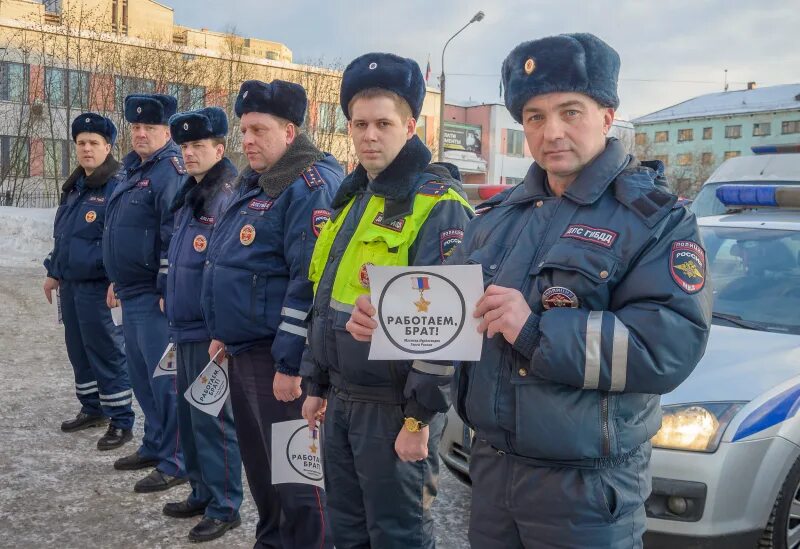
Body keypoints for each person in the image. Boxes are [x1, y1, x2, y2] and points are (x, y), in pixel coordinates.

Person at [347, 34, 713, 548]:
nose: (552, 131)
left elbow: (668, 346)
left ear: (607, 117)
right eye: (535, 117)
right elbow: (452, 312)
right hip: (493, 474)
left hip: (585, 488)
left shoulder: (653, 221)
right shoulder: (498, 218)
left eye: (570, 112)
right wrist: (389, 318)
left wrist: (537, 330)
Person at [300, 52, 473, 549]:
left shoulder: (439, 206)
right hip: (342, 401)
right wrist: (315, 383)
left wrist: (419, 420)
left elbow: (447, 334)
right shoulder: (354, 202)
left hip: (395, 411)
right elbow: (325, 299)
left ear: (411, 126)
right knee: (346, 532)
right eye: (359, 124)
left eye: (383, 123)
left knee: (398, 536)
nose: (369, 135)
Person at [200, 79, 343, 549]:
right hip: (245, 351)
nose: (247, 141)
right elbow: (236, 262)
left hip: (278, 362)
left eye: (258, 130)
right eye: (243, 131)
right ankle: (272, 540)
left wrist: (290, 364)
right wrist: (222, 331)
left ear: (289, 130)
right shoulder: (256, 183)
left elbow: (310, 282)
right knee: (261, 469)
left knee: (297, 478)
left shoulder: (310, 185)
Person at [162, 106, 243, 542]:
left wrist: (221, 330)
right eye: (185, 146)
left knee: (214, 419)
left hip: (209, 332)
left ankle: (226, 503)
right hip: (184, 325)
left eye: (198, 145)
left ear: (219, 147)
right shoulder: (190, 193)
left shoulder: (226, 193)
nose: (190, 153)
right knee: (191, 418)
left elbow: (225, 267)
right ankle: (200, 490)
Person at [103, 93, 187, 492]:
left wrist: (166, 285)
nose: (140, 133)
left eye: (148, 127)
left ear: (166, 130)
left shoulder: (170, 170)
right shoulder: (130, 169)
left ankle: (175, 459)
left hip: (154, 296)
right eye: (135, 127)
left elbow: (174, 233)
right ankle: (155, 444)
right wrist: (114, 279)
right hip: (130, 291)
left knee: (163, 381)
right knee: (140, 378)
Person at [44, 112, 134, 450]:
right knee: (79, 351)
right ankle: (92, 408)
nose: (86, 149)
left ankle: (121, 420)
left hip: (99, 287)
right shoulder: (75, 185)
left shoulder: (117, 184)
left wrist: (117, 279)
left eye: (93, 143)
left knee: (107, 351)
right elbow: (64, 236)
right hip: (71, 285)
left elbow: (120, 240)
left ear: (107, 146)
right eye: (81, 143)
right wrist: (53, 271)